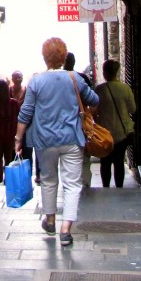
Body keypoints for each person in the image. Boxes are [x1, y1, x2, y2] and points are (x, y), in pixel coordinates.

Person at [15, 36, 99, 246]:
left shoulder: (36, 81)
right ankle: (66, 229)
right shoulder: (74, 79)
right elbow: (95, 100)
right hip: (71, 138)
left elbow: (26, 112)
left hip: (45, 140)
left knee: (48, 180)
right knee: (72, 184)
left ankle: (50, 219)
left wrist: (18, 138)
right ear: (63, 57)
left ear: (45, 58)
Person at [95, 58, 136, 188]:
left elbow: (94, 111)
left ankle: (106, 186)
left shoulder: (100, 90)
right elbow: (133, 109)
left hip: (104, 132)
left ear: (105, 73)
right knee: (119, 161)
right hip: (121, 132)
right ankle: (119, 187)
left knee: (105, 162)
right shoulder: (125, 88)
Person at [63, 51, 93, 190]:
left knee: (66, 156)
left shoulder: (55, 79)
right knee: (83, 155)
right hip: (81, 121)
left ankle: (70, 183)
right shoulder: (82, 78)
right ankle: (85, 182)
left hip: (62, 123)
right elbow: (93, 100)